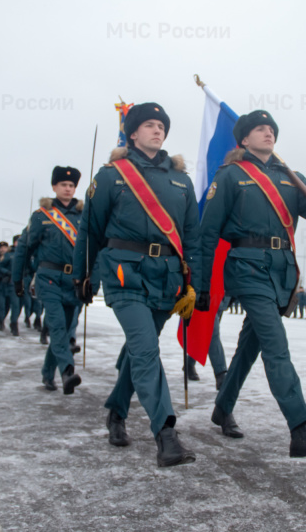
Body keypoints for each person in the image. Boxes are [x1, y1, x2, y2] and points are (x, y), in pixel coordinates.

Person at [199, 110, 306, 458]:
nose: (268, 132)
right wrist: (201, 284)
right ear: (244, 139)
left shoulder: (290, 177)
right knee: (276, 344)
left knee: (250, 345)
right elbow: (207, 234)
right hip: (246, 267)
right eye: (260, 128)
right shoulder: (230, 176)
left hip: (282, 271)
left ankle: (222, 408)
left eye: (271, 128)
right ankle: (299, 429)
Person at [73, 102, 201, 467]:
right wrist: (83, 276)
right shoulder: (112, 175)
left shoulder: (182, 180)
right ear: (132, 132)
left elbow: (192, 235)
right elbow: (90, 230)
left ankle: (116, 410)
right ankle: (166, 434)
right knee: (146, 349)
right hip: (124, 273)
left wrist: (197, 282)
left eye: (161, 126)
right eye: (148, 125)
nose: (157, 131)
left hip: (167, 279)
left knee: (137, 352)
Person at [13, 166, 84, 394]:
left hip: (74, 281)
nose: (68, 189)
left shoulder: (84, 216)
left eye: (72, 185)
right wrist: (17, 278)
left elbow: (93, 251)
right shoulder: (41, 216)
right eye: (63, 185)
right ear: (54, 187)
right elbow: (24, 248)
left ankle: (47, 374)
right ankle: (67, 372)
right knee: (57, 325)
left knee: (63, 329)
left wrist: (93, 280)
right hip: (49, 278)